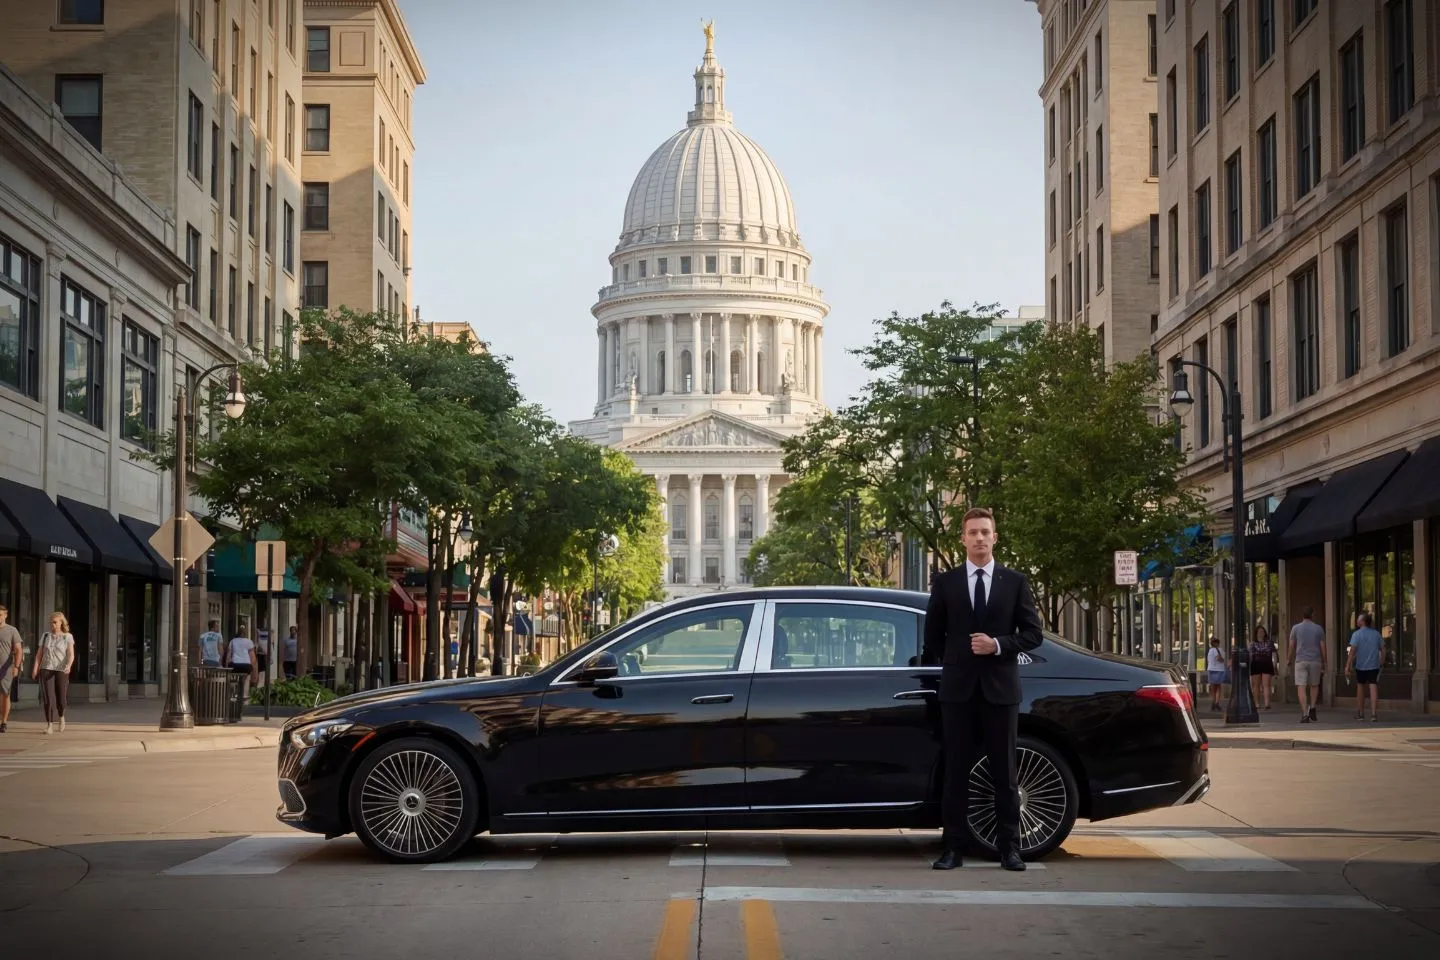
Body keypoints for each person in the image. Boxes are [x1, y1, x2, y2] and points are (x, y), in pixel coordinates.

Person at [923, 507, 1044, 872]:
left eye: (984, 532)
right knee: (956, 772)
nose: (979, 538)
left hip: (1001, 692)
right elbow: (933, 638)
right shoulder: (946, 583)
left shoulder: (1015, 582)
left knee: (1005, 774)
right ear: (962, 539)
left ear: (995, 537)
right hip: (958, 693)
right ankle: (952, 849)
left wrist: (998, 645)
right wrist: (960, 660)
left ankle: (1010, 848)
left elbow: (1033, 634)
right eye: (972, 532)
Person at [33, 612, 74, 734]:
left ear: (61, 622)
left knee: (61, 698)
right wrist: (35, 668)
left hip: (62, 670)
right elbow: (39, 654)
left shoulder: (67, 636)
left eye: (55, 622)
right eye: (51, 622)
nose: (53, 624)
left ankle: (61, 716)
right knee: (48, 699)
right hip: (46, 669)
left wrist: (69, 666)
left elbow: (71, 654)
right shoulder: (46, 636)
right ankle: (49, 724)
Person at [1287, 607, 1326, 723]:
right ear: (1313, 615)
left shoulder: (1295, 628)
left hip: (1300, 661)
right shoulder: (1318, 629)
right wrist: (1325, 661)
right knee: (1314, 685)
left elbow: (1291, 645)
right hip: (1315, 660)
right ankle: (1312, 706)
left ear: (1302, 616)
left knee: (1301, 686)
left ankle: (1304, 713)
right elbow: (1323, 646)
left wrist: (1288, 659)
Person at [1345, 612, 1384, 722]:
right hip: (1374, 665)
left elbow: (1352, 651)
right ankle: (1373, 714)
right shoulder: (1376, 634)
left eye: (1358, 619)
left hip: (1361, 665)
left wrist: (1348, 665)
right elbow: (1383, 649)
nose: (1357, 621)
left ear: (1362, 621)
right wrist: (1381, 661)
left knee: (1360, 687)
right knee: (1373, 686)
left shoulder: (1356, 634)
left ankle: (1361, 713)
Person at [0, 604, 22, 733]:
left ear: (5, 615)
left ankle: (4, 722)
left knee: (4, 694)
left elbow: (18, 649)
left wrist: (16, 666)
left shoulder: (12, 630)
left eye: (0, 615)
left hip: (6, 668)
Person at [225, 624, 258, 701]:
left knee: (233, 678)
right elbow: (253, 658)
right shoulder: (249, 642)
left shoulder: (232, 641)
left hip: (235, 665)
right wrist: (254, 670)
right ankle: (244, 696)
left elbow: (228, 657)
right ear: (245, 633)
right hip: (246, 666)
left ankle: (233, 695)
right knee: (246, 678)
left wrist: (227, 668)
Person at [1249, 624, 1277, 710]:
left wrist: (1275, 664)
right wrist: (1249, 664)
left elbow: (1274, 653)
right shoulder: (1253, 644)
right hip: (1256, 664)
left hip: (1267, 664)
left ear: (1265, 633)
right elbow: (1250, 655)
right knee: (1256, 685)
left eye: (1262, 632)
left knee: (1266, 684)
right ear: (1256, 633)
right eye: (1259, 632)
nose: (1261, 633)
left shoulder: (1269, 642)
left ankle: (1267, 703)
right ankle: (1257, 703)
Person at [1205, 637, 1226, 712]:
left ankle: (1214, 702)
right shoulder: (1220, 650)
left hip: (1211, 669)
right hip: (1219, 669)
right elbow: (1219, 658)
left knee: (1213, 687)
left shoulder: (1210, 650)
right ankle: (1216, 702)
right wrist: (1223, 661)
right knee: (1218, 686)